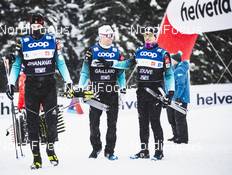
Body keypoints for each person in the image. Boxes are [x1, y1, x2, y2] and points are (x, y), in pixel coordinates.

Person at [6, 13, 72, 169]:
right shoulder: (22, 42)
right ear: (30, 27)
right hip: (31, 86)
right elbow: (16, 66)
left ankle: (50, 148)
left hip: (49, 85)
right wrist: (10, 83)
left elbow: (60, 63)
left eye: (39, 26)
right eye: (33, 26)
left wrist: (68, 81)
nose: (35, 29)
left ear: (43, 27)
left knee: (51, 120)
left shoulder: (52, 41)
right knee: (32, 122)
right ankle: (36, 156)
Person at [112, 28, 175, 160]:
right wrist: (111, 64)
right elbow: (128, 64)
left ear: (155, 37)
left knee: (155, 122)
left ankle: (159, 151)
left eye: (150, 35)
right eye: (145, 35)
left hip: (155, 92)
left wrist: (170, 93)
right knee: (143, 122)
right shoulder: (139, 51)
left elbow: (169, 75)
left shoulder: (163, 54)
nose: (147, 38)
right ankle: (144, 150)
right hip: (141, 92)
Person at [78, 25, 126, 160]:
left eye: (111, 35)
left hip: (111, 91)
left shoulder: (117, 52)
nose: (110, 38)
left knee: (112, 124)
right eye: (107, 35)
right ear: (100, 36)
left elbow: (121, 73)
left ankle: (109, 151)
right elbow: (85, 72)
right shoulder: (91, 51)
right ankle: (96, 148)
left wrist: (123, 86)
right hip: (95, 92)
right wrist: (81, 86)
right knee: (94, 123)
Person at [166, 51, 190, 144]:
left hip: (180, 98)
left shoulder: (180, 70)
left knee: (179, 118)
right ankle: (176, 135)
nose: (171, 61)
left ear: (176, 60)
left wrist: (178, 97)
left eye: (172, 59)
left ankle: (183, 138)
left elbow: (181, 85)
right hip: (172, 98)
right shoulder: (174, 68)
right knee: (171, 117)